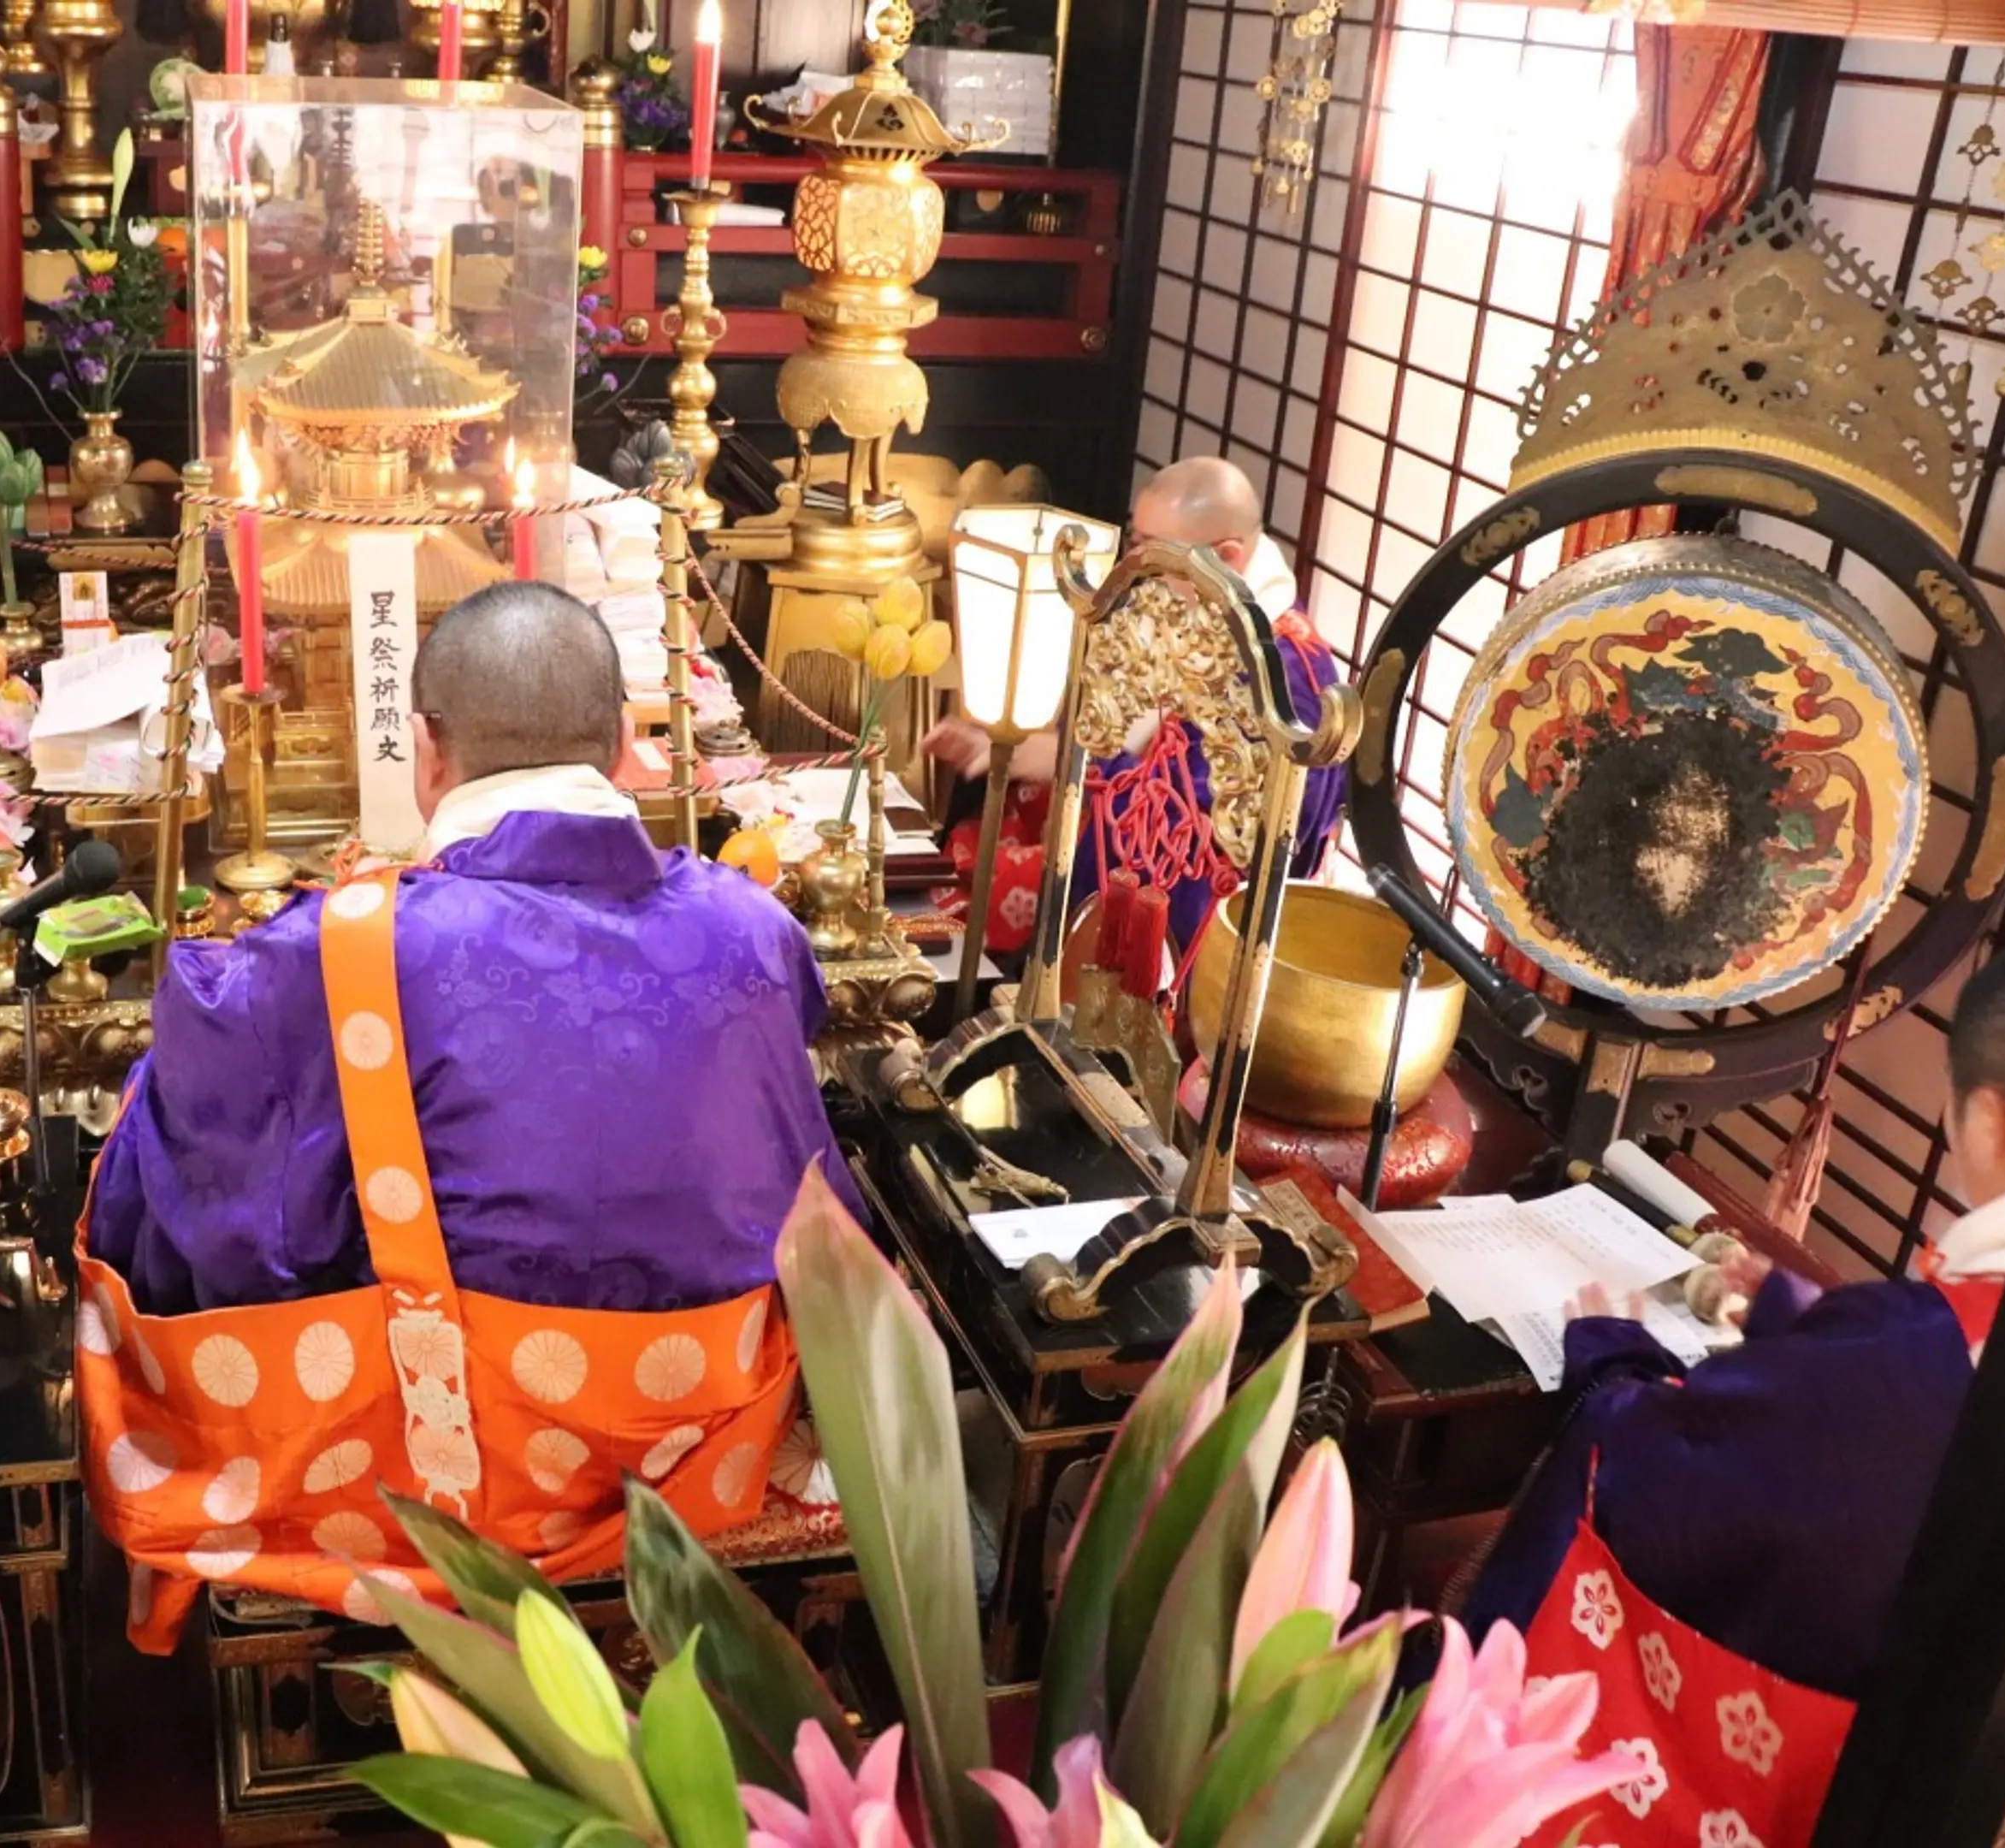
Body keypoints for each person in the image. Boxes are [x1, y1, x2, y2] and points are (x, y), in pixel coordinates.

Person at [80, 583, 841, 1644]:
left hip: (446, 1475)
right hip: (711, 1444)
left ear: (426, 750)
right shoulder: (753, 926)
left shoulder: (344, 944)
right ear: (625, 743)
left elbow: (221, 1214)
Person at [1457, 934, 2005, 1846]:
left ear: (1990, 1120)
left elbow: (1653, 1468)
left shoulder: (1902, 1354)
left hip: (1854, 1774)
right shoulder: (1980, 1336)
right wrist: (1804, 1323)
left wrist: (1613, 1357)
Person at [920, 455, 1345, 970]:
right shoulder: (1184, 602)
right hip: (1103, 834)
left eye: (1150, 551)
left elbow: (1204, 827)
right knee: (955, 858)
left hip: (1197, 911)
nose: (1132, 565)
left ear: (1227, 557)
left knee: (985, 890)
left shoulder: (1288, 675)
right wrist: (1011, 747)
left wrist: (1067, 762)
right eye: (1135, 540)